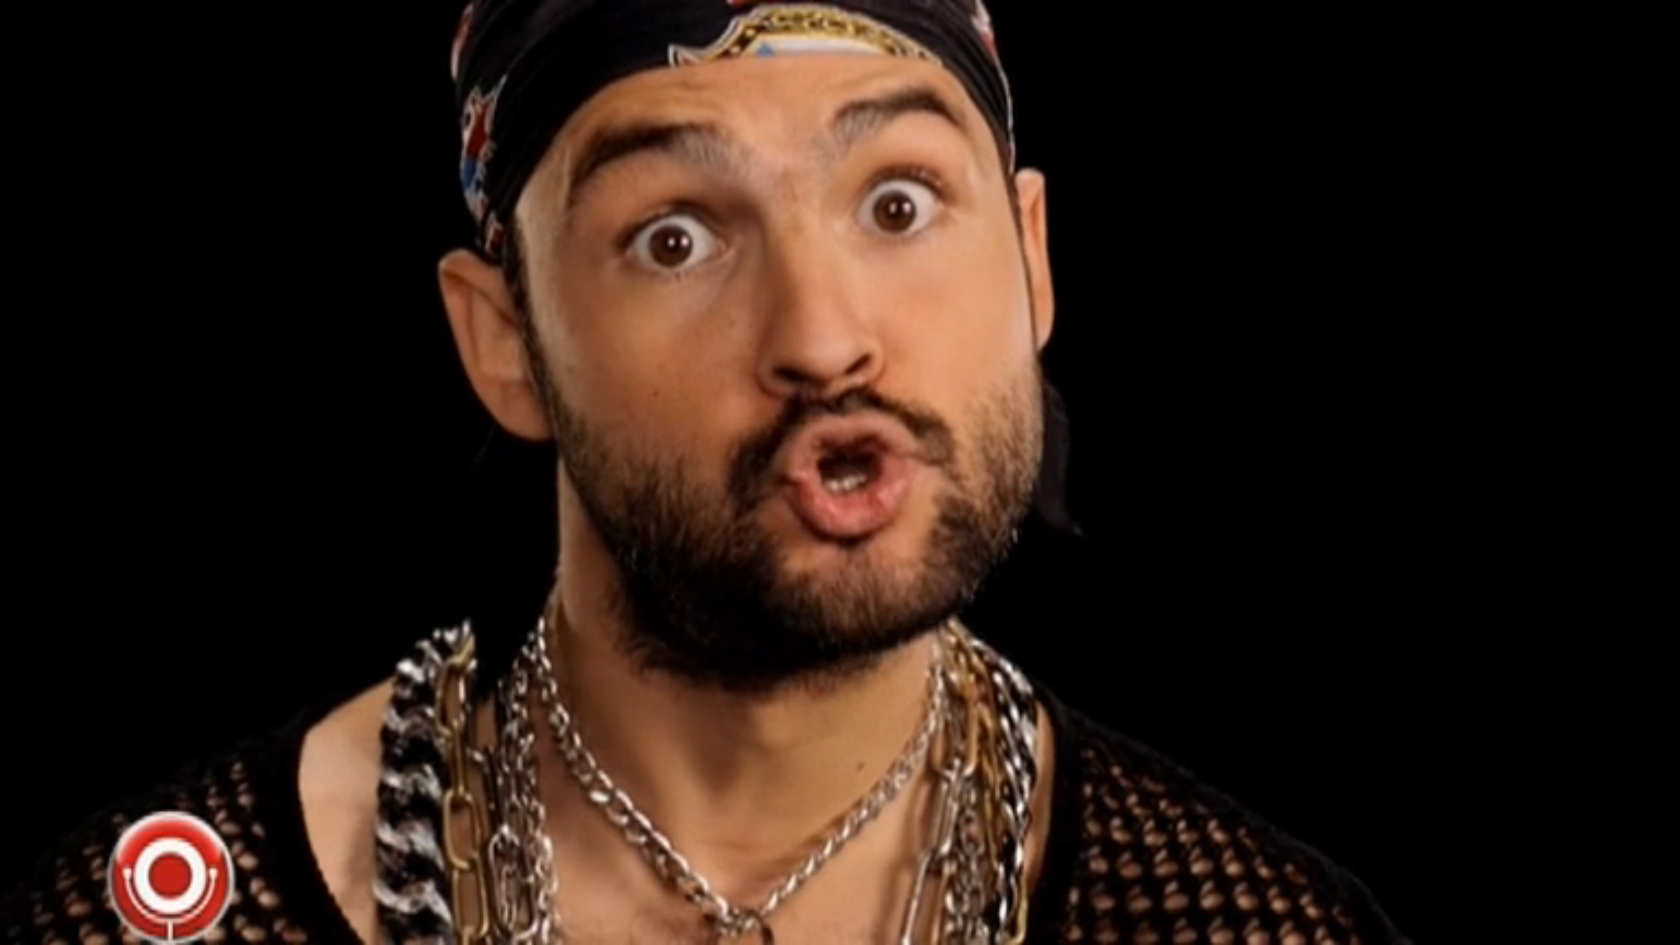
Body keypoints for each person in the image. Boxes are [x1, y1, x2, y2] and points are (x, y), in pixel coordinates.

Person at [5, 1, 1408, 942]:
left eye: (899, 202)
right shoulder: (166, 912)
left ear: (1033, 260)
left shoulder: (1260, 924)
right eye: (674, 237)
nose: (823, 338)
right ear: (506, 342)